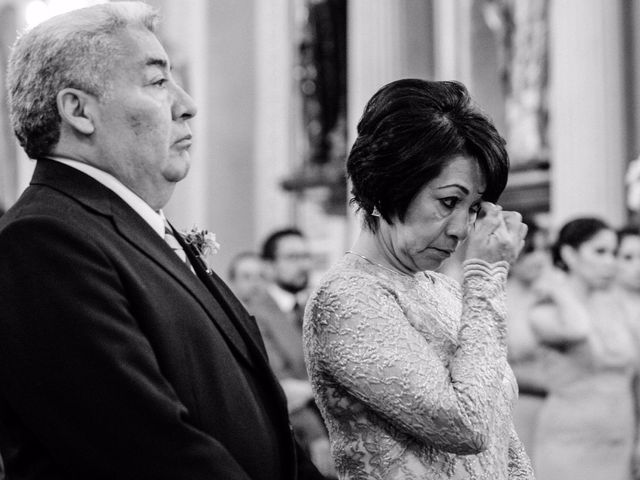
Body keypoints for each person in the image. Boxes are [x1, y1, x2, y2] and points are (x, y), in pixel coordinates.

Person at [0, 3, 324, 479]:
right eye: (157, 81)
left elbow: (263, 422)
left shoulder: (142, 229)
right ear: (78, 110)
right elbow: (148, 452)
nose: (187, 103)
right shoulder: (43, 242)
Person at [303, 78, 533, 479]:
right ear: (388, 185)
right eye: (448, 202)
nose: (462, 229)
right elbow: (466, 425)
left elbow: (502, 438)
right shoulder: (346, 297)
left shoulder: (444, 289)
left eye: (474, 207)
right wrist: (486, 275)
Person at [529, 217, 640, 480]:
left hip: (618, 444)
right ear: (569, 254)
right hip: (569, 446)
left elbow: (635, 377)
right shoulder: (546, 310)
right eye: (600, 252)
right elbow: (578, 329)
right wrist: (561, 289)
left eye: (613, 253)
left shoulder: (617, 307)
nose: (610, 262)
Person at [240, 229, 335, 478]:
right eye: (293, 257)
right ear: (269, 266)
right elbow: (281, 389)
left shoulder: (316, 310)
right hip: (295, 439)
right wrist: (315, 434)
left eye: (306, 256)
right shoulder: (253, 314)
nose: (303, 264)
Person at [505, 218, 551, 460]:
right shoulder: (498, 299)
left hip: (560, 408)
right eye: (531, 250)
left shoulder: (553, 294)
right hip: (520, 406)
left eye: (545, 249)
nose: (540, 258)